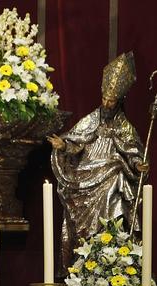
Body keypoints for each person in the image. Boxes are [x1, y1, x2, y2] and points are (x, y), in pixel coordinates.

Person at [48, 52, 147, 269]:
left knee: (116, 175)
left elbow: (134, 154)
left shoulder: (125, 128)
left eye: (111, 100)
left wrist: (138, 164)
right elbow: (76, 141)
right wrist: (63, 146)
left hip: (111, 174)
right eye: (104, 98)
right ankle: (84, 261)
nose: (107, 103)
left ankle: (112, 258)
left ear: (119, 101)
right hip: (85, 175)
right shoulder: (91, 120)